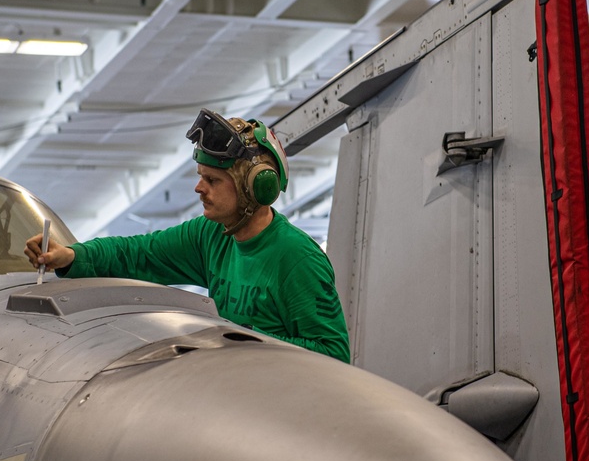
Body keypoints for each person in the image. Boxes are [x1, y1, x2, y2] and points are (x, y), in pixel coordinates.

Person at [24, 108, 351, 363]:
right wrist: (73, 256)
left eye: (212, 180)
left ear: (254, 187)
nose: (199, 188)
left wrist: (245, 339)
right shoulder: (212, 235)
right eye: (200, 176)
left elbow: (334, 355)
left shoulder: (296, 259)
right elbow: (140, 254)